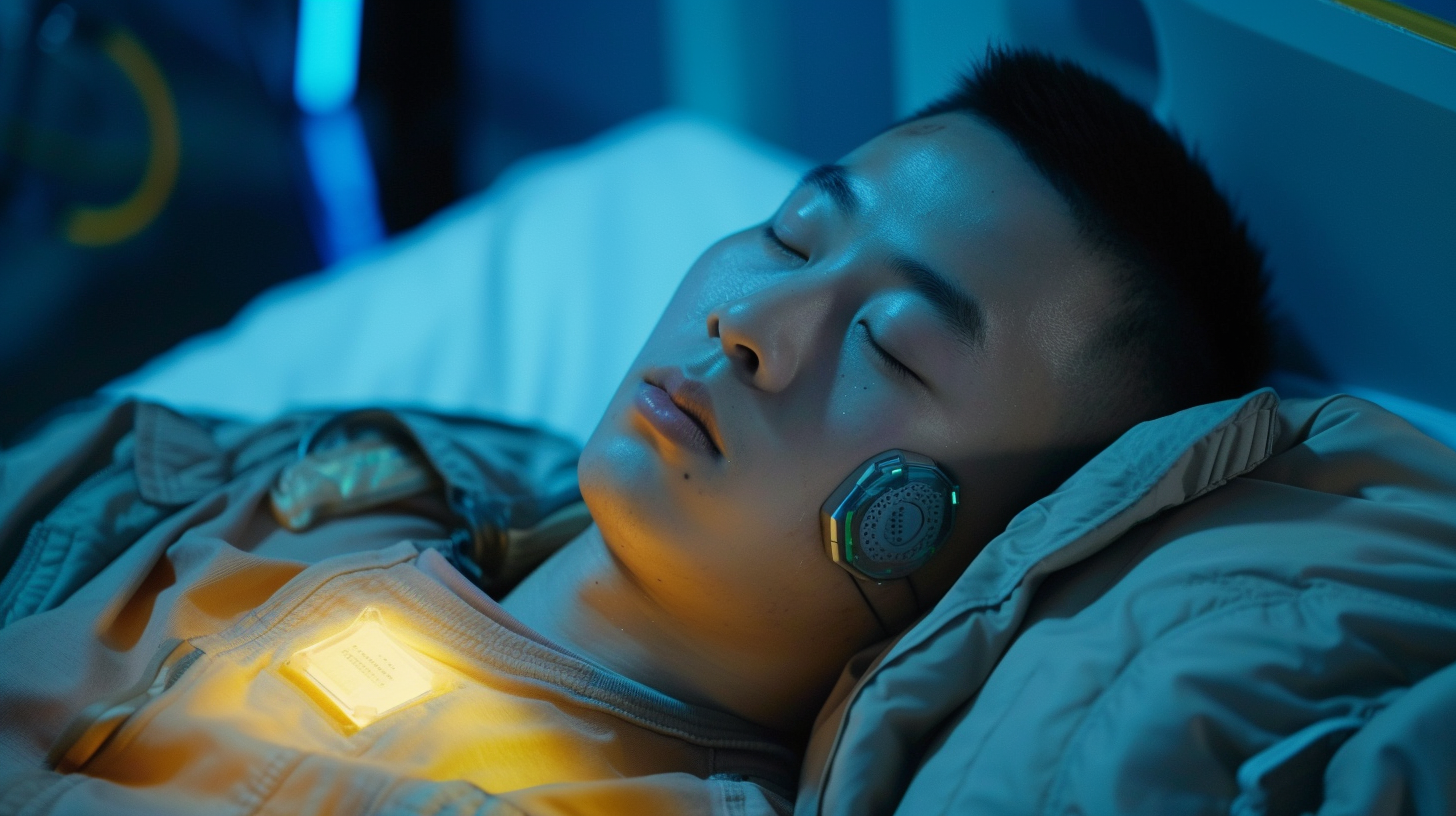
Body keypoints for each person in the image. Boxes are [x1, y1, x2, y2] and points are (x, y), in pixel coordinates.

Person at [2, 48, 1454, 816]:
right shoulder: (321, 476)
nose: (758, 318)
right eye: (792, 230)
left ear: (972, 542)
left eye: (892, 346)